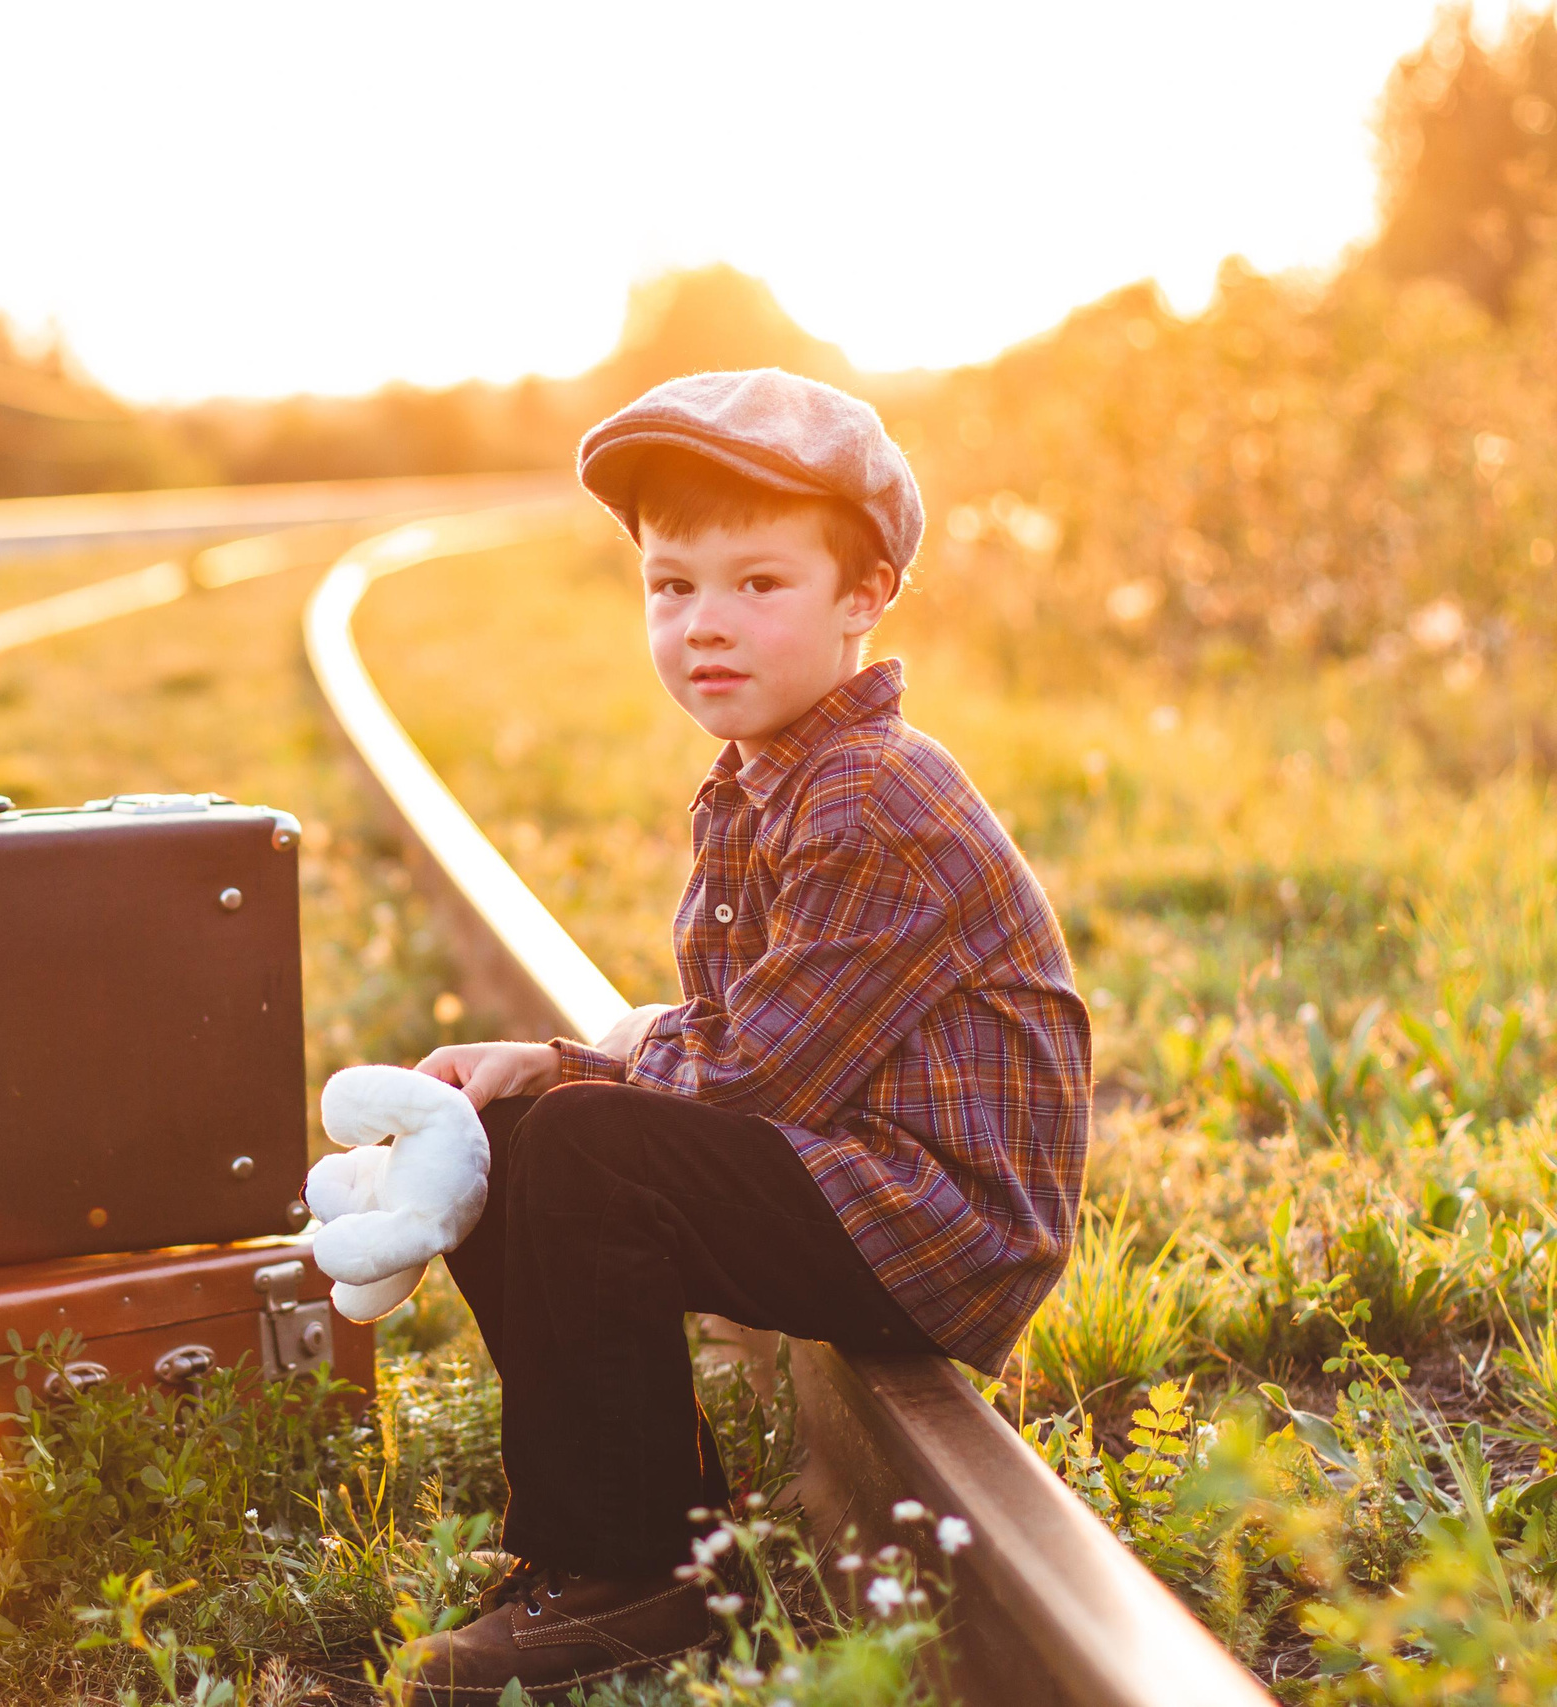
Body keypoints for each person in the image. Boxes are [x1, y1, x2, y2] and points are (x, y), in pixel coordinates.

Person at [396, 369, 1091, 1701]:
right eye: (671, 587)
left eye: (759, 585)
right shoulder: (771, 776)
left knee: (589, 1145)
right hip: (852, 1169)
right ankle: (617, 1533)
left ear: (862, 596)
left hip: (938, 1217)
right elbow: (734, 1038)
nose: (705, 625)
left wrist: (576, 1065)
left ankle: (637, 1571)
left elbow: (756, 1075)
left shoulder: (871, 800)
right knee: (520, 1136)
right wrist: (546, 1079)